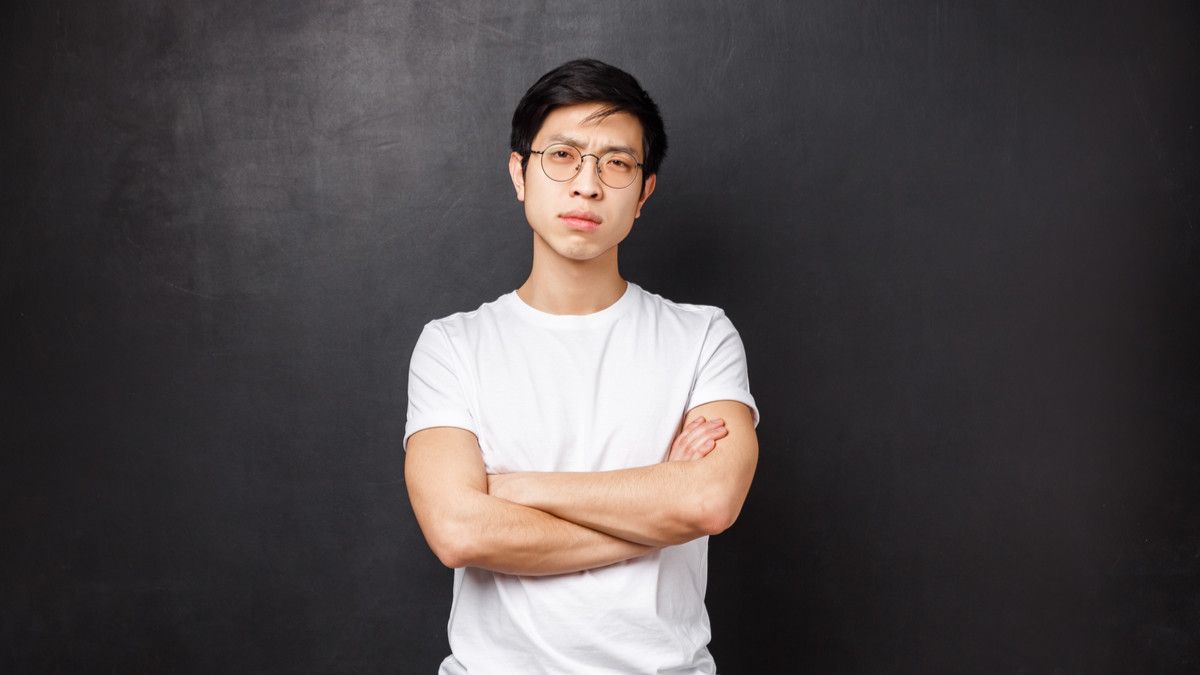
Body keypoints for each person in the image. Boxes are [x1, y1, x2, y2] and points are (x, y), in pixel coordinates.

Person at [403, 57, 761, 675]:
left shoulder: (703, 336)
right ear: (519, 173)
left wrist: (517, 490)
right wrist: (657, 504)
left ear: (644, 193)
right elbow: (460, 531)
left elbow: (708, 501)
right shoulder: (452, 345)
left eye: (616, 163)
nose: (587, 185)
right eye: (562, 156)